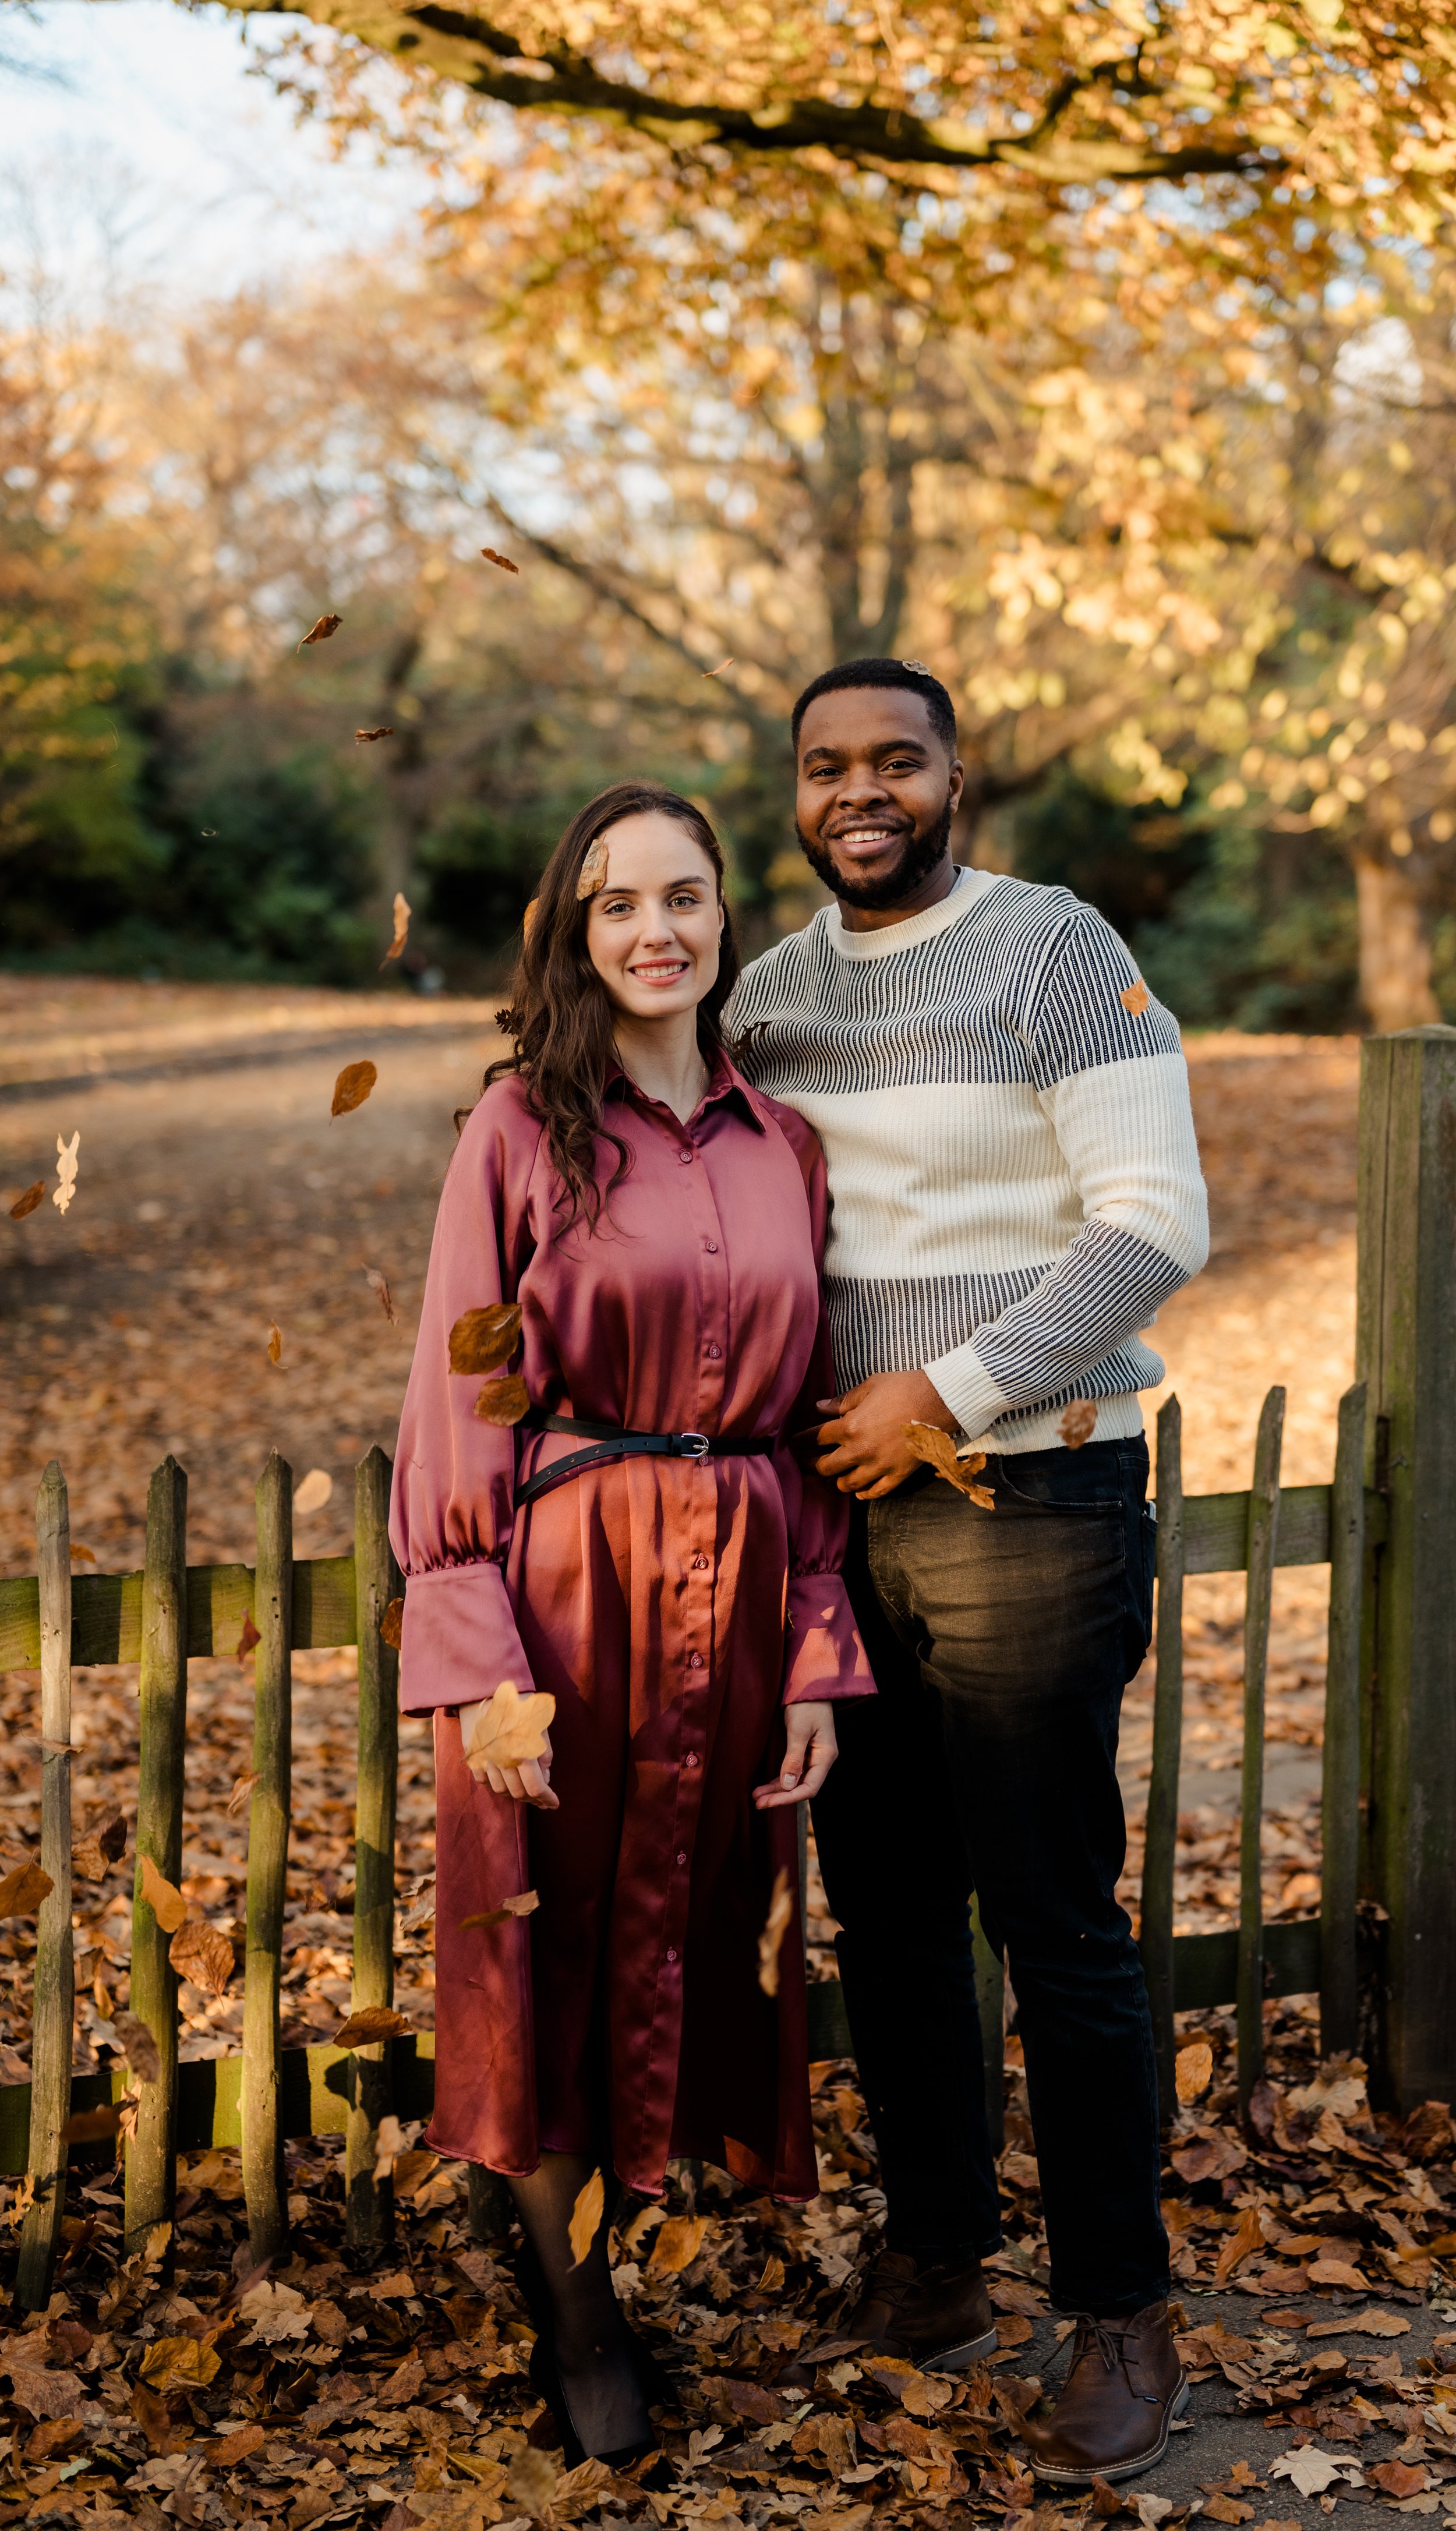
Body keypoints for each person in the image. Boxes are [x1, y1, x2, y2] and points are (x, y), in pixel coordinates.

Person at [729, 659, 1210, 2485]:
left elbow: (1154, 1219)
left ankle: (1116, 2302)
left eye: (894, 760)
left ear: (954, 774)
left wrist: (945, 1386)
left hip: (1027, 1506)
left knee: (1053, 1919)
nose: (860, 790)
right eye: (826, 764)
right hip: (840, 1525)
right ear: (796, 788)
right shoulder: (768, 996)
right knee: (893, 1916)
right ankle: (937, 2256)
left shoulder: (1055, 951)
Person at [388, 780, 874, 2467]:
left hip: (733, 1579)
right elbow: (460, 1392)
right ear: (572, 931)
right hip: (562, 1581)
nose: (655, 929)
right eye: (616, 903)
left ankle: (607, 2230)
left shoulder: (781, 1139)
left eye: (683, 895)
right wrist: (478, 1660)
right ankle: (576, 2311)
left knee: (680, 1918)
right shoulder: (519, 1127)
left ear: (726, 913)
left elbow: (806, 1410)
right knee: (542, 1931)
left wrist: (816, 1640)